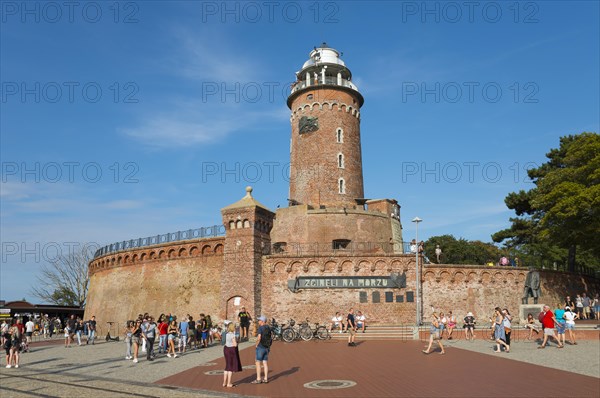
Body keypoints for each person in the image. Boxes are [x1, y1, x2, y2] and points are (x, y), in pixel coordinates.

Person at [222, 322, 242, 388]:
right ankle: (229, 383)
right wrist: (238, 341)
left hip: (226, 349)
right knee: (230, 367)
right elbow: (235, 344)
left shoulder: (226, 334)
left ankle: (224, 383)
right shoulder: (232, 335)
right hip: (231, 350)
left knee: (227, 366)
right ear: (233, 328)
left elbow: (224, 342)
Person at [253, 315, 271, 384]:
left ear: (262, 321)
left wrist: (256, 344)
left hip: (260, 347)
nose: (258, 321)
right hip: (267, 347)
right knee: (265, 363)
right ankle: (266, 378)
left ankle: (258, 379)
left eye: (259, 320)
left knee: (258, 362)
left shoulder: (260, 328)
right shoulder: (268, 327)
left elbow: (259, 337)